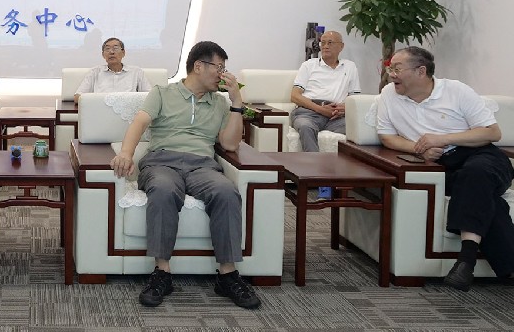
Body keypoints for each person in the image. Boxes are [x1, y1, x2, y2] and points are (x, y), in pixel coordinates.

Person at [110, 41, 261, 310]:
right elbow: (139, 123)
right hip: (162, 162)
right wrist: (125, 153)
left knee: (226, 191)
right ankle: (162, 272)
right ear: (199, 66)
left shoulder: (219, 103)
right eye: (219, 67)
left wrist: (237, 103)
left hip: (202, 166)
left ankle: (227, 275)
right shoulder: (162, 92)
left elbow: (229, 144)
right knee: (164, 190)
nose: (223, 74)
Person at [377, 46, 512, 292]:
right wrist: (419, 149)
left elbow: (492, 133)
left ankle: (466, 259)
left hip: (482, 156)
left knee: (475, 175)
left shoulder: (456, 91)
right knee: (485, 197)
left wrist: (443, 139)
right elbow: (386, 136)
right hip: (441, 166)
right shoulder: (388, 94)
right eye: (390, 68)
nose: (391, 74)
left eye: (397, 69)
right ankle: (492, 265)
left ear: (421, 71)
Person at [289, 30, 361, 198]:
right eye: (323, 42)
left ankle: (355, 182)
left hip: (337, 115)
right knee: (305, 127)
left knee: (359, 131)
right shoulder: (309, 65)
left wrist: (344, 108)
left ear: (341, 47)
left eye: (330, 43)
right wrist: (321, 109)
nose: (325, 46)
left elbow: (355, 98)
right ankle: (322, 182)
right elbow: (295, 96)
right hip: (309, 112)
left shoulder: (350, 67)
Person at [74, 37, 152, 103]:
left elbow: (150, 96)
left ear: (123, 53)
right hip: (101, 111)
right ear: (103, 54)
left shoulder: (136, 72)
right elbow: (77, 97)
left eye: (115, 48)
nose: (111, 52)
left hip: (128, 113)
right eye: (107, 49)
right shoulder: (95, 72)